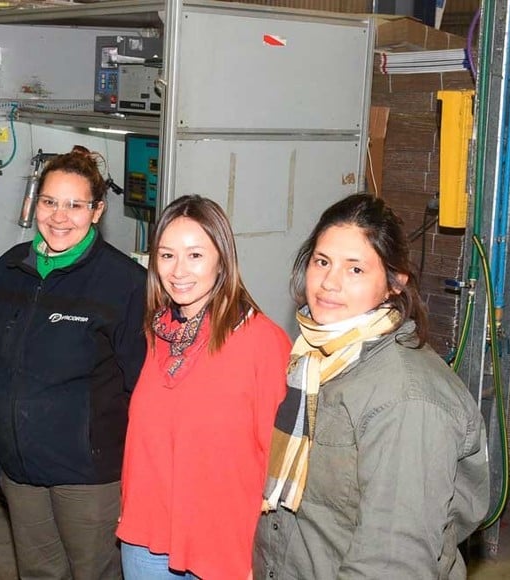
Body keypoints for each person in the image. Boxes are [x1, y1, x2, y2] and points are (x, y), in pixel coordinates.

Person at [254, 193, 490, 580]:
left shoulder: (407, 399)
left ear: (395, 284)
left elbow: (394, 563)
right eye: (322, 262)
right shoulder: (314, 362)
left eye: (356, 270)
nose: (330, 283)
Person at [0, 146, 147, 579]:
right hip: (21, 470)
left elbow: (141, 386)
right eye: (50, 201)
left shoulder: (124, 283)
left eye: (75, 205)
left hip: (88, 476)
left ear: (97, 210)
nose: (59, 216)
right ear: (36, 203)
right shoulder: (7, 271)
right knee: (38, 572)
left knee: (94, 572)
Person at [117, 195, 292, 579]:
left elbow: (279, 461)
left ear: (222, 260)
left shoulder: (262, 341)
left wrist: (262, 555)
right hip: (146, 539)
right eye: (166, 255)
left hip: (223, 548)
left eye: (195, 255)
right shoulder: (157, 332)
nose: (178, 270)